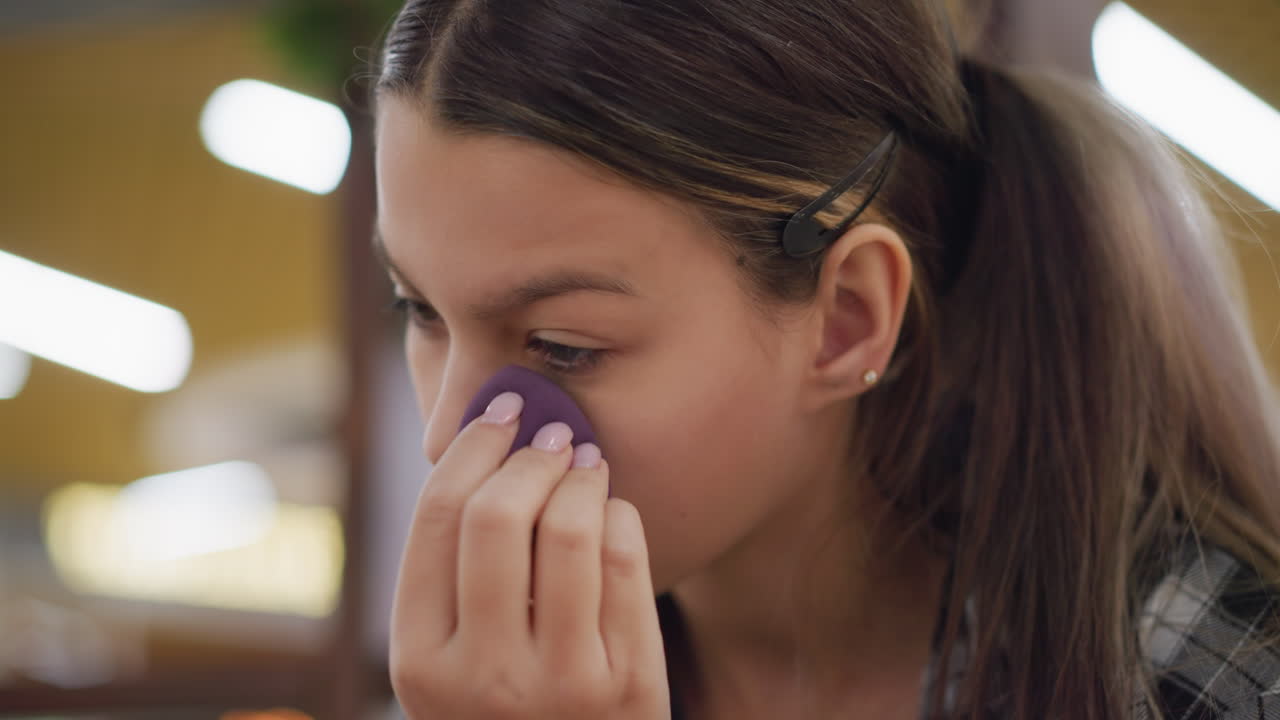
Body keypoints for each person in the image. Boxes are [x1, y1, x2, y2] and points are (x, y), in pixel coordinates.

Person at [370, 1, 1280, 718]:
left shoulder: (1205, 676)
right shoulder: (501, 689)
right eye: (419, 309)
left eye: (564, 345)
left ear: (846, 320)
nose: (448, 435)